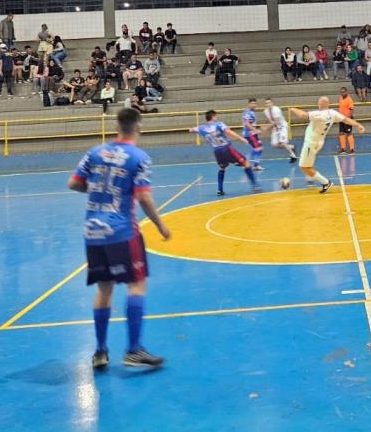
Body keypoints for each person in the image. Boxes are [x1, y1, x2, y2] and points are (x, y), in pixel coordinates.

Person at [67, 108, 170, 369]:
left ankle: (100, 351)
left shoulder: (95, 152)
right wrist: (160, 225)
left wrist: (98, 190)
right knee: (136, 285)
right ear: (139, 127)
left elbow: (74, 183)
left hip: (93, 230)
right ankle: (134, 349)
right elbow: (144, 197)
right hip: (122, 230)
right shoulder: (139, 157)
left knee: (104, 289)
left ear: (116, 126)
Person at [289, 96, 365, 193]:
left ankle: (325, 182)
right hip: (319, 141)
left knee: (304, 167)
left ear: (320, 104)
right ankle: (313, 178)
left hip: (311, 143)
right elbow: (346, 119)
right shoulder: (332, 113)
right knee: (307, 165)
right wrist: (358, 125)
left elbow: (303, 115)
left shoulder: (319, 114)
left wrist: (293, 109)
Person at [189, 110, 260, 195]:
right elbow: (229, 132)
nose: (217, 118)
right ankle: (255, 186)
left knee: (222, 168)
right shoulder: (219, 124)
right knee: (246, 164)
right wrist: (241, 138)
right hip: (227, 149)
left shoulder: (202, 127)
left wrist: (191, 129)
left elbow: (192, 130)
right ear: (213, 116)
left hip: (217, 151)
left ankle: (220, 190)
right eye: (216, 116)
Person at [262, 97, 298, 162]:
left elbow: (276, 121)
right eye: (266, 103)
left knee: (283, 142)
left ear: (272, 103)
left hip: (282, 126)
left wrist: (266, 127)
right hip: (275, 128)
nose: (268, 104)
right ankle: (291, 147)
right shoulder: (265, 111)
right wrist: (266, 126)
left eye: (269, 103)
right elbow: (270, 121)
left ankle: (293, 156)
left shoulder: (276, 110)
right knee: (274, 144)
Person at [242, 98, 264, 171]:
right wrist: (255, 130)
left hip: (253, 134)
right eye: (252, 103)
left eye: (255, 103)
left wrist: (258, 128)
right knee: (258, 148)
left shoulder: (252, 112)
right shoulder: (248, 112)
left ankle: (255, 165)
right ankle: (245, 162)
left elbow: (252, 123)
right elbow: (247, 124)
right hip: (249, 134)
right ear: (249, 104)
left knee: (259, 149)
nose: (254, 105)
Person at [337, 87, 356, 154]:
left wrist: (349, 118)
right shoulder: (340, 98)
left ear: (346, 92)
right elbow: (340, 108)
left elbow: (351, 109)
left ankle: (352, 149)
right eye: (341, 92)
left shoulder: (349, 99)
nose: (342, 93)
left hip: (347, 119)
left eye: (343, 92)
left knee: (349, 133)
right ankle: (343, 148)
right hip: (341, 118)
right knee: (341, 132)